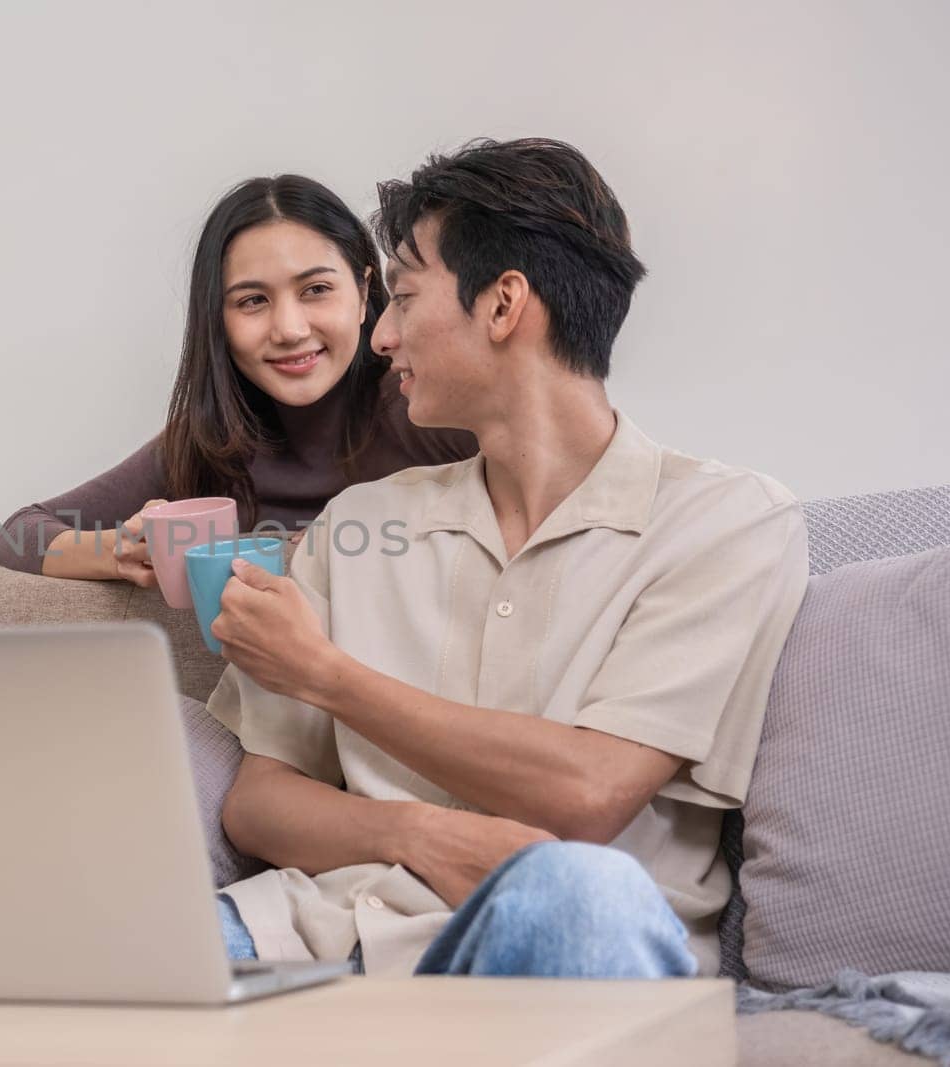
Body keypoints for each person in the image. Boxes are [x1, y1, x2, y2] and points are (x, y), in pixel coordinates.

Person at [201, 138, 810, 979]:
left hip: (565, 943)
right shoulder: (362, 523)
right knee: (76, 941)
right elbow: (258, 800)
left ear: (502, 305)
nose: (381, 336)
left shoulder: (724, 522)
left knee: (579, 887)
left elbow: (588, 793)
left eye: (405, 298)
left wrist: (329, 674)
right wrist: (414, 832)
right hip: (321, 939)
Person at [0, 175, 476, 583]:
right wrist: (120, 549)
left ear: (364, 288)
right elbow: (16, 537)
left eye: (316, 289)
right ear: (216, 317)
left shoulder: (427, 407)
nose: (290, 329)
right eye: (252, 301)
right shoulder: (210, 441)